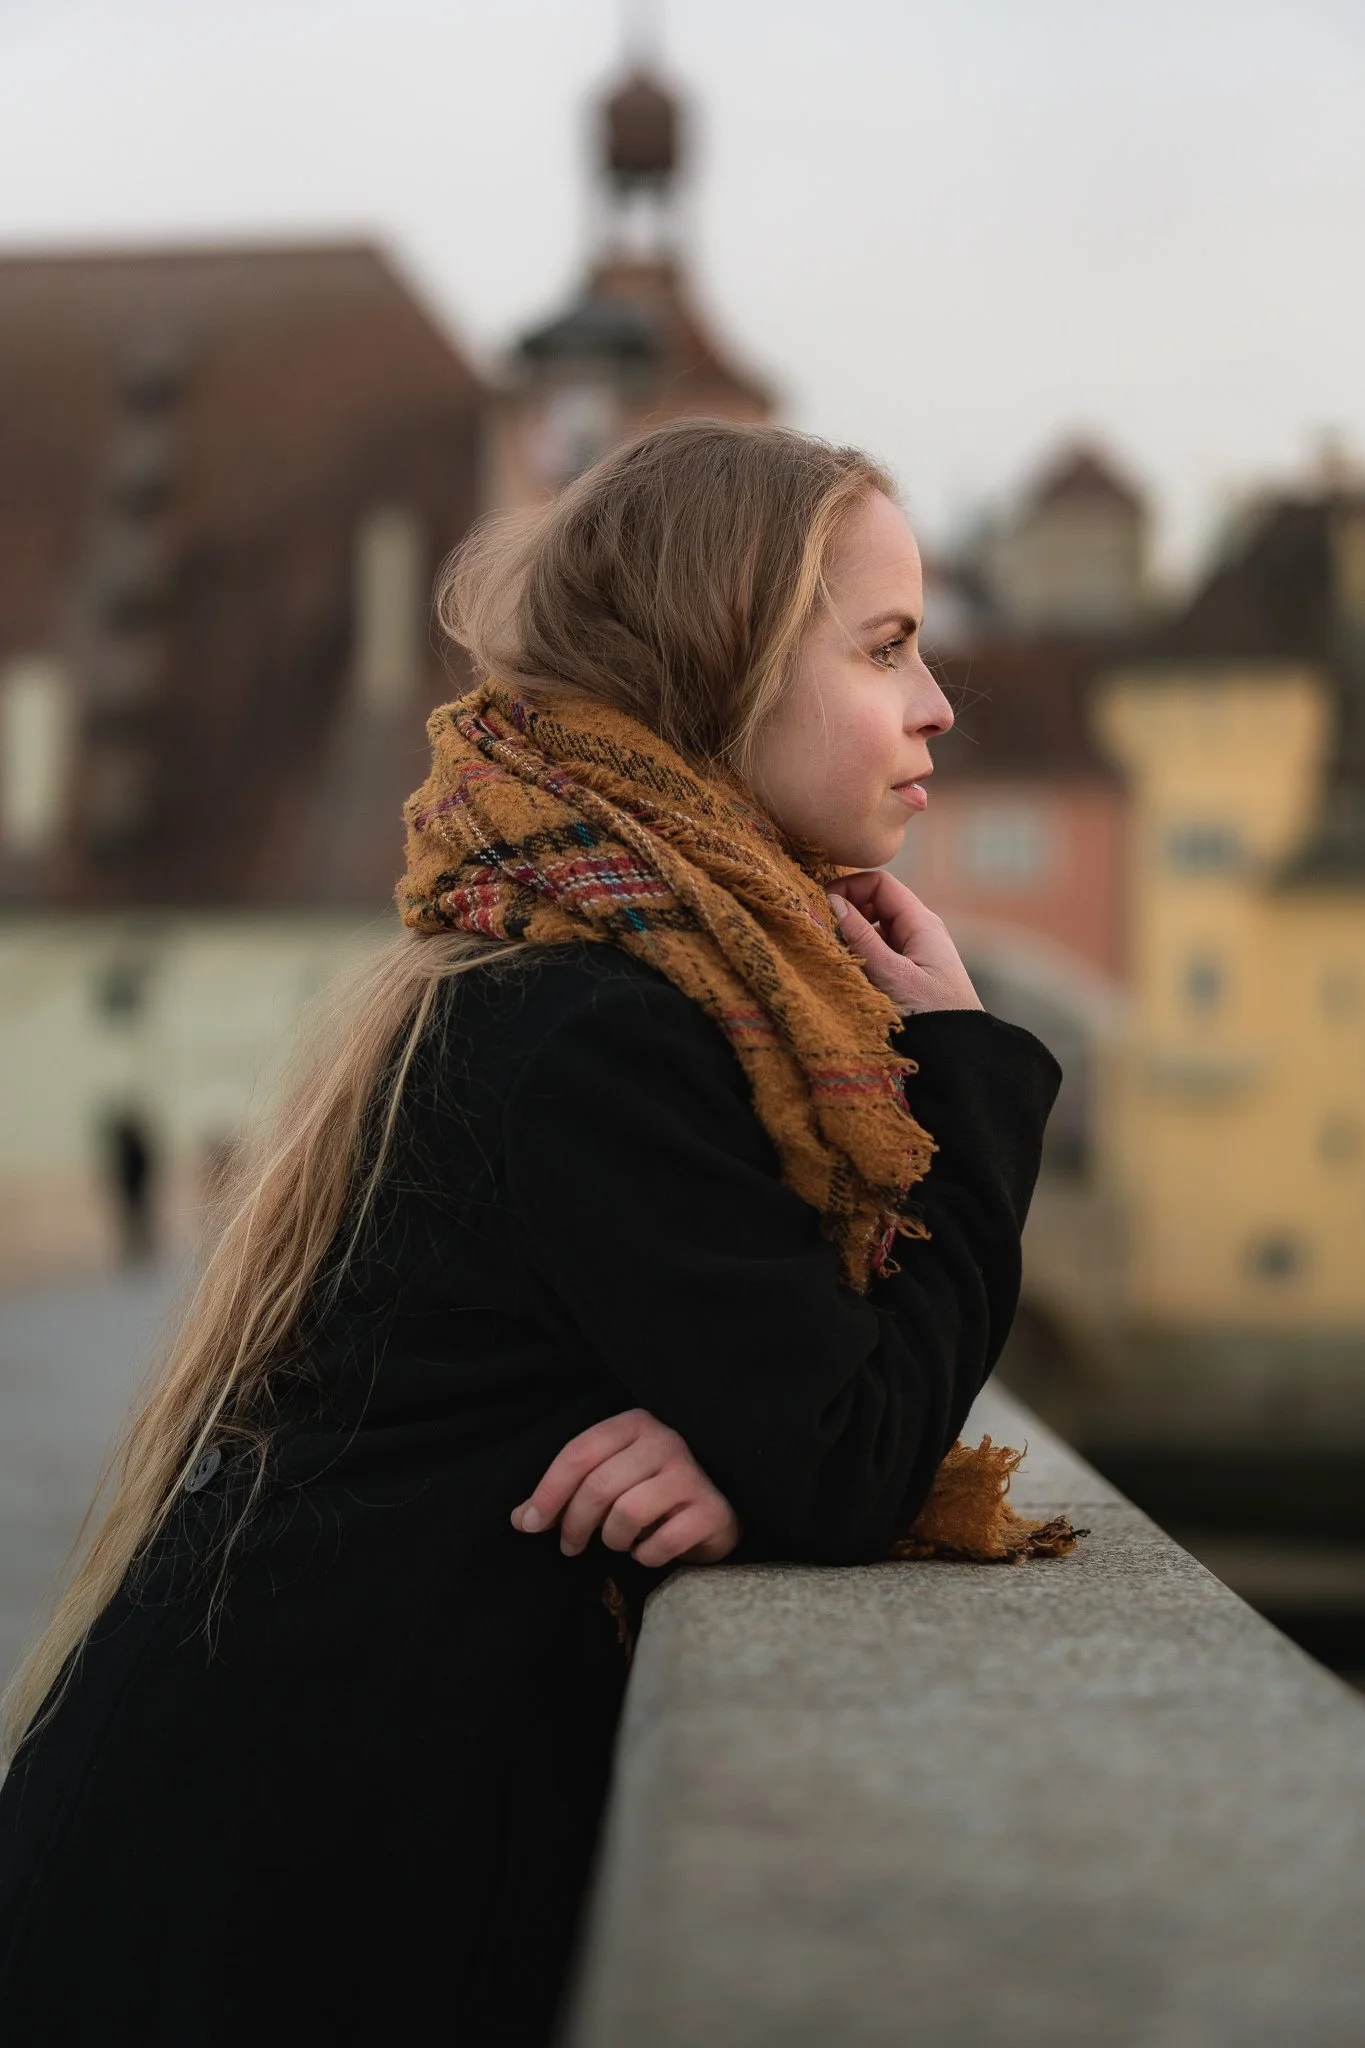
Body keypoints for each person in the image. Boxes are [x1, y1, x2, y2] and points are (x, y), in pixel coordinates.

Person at [0, 421, 1063, 2045]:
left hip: (266, 1850)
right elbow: (843, 1448)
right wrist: (970, 1087)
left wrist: (747, 1428)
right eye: (888, 649)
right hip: (241, 1910)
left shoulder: (570, 978)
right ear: (726, 672)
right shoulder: (600, 1031)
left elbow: (799, 1418)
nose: (937, 707)